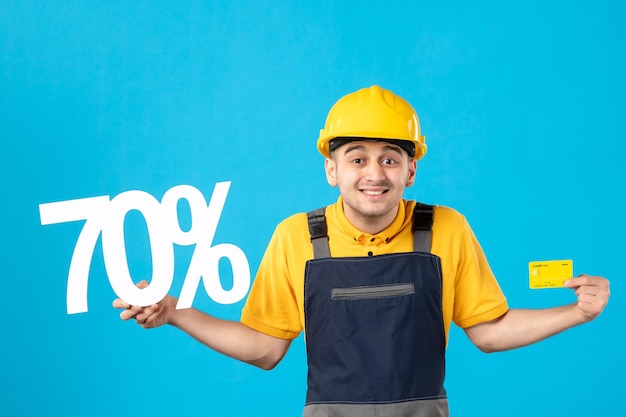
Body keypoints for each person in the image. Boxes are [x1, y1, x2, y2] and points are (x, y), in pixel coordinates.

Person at [114, 85, 610, 417]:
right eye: (357, 159)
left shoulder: (446, 229)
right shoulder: (296, 238)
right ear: (332, 169)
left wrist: (575, 313)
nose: (374, 174)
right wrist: (177, 313)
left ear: (411, 171)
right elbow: (265, 349)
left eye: (390, 159)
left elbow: (488, 330)